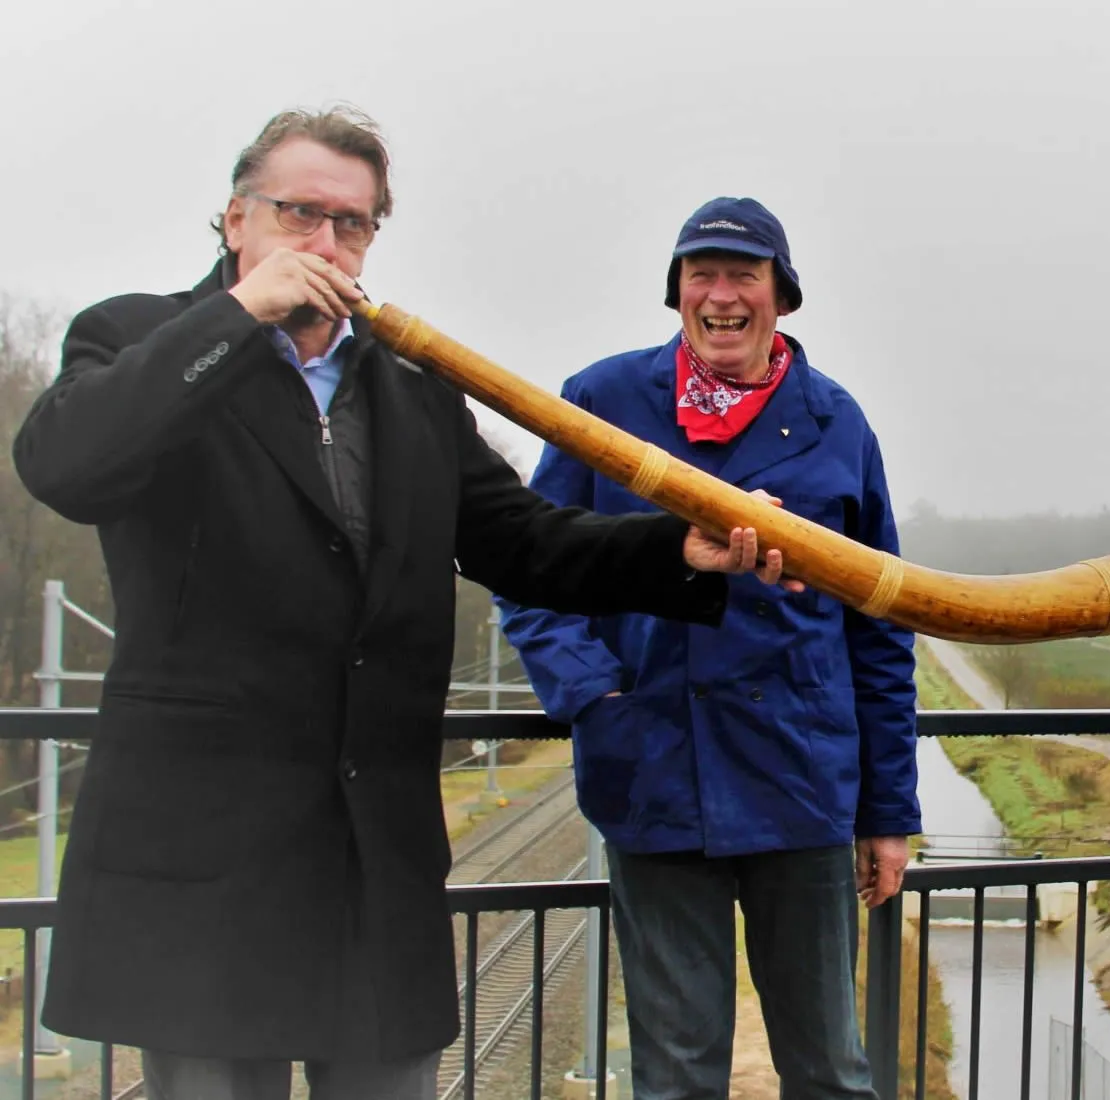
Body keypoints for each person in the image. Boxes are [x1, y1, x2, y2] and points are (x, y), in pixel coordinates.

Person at [10, 107, 794, 1100]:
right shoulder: (143, 337)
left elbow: (524, 540)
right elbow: (68, 463)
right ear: (235, 220)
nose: (327, 245)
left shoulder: (412, 389)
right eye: (301, 214)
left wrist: (678, 545)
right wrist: (238, 317)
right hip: (205, 866)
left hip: (373, 859)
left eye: (355, 223)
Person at [496, 196, 918, 1100]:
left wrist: (888, 809)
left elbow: (879, 628)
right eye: (702, 275)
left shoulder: (837, 422)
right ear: (677, 293)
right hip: (652, 775)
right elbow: (532, 572)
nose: (721, 296)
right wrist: (593, 699)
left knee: (831, 1070)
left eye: (743, 276)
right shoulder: (601, 403)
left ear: (782, 297)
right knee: (678, 1073)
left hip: (799, 785)